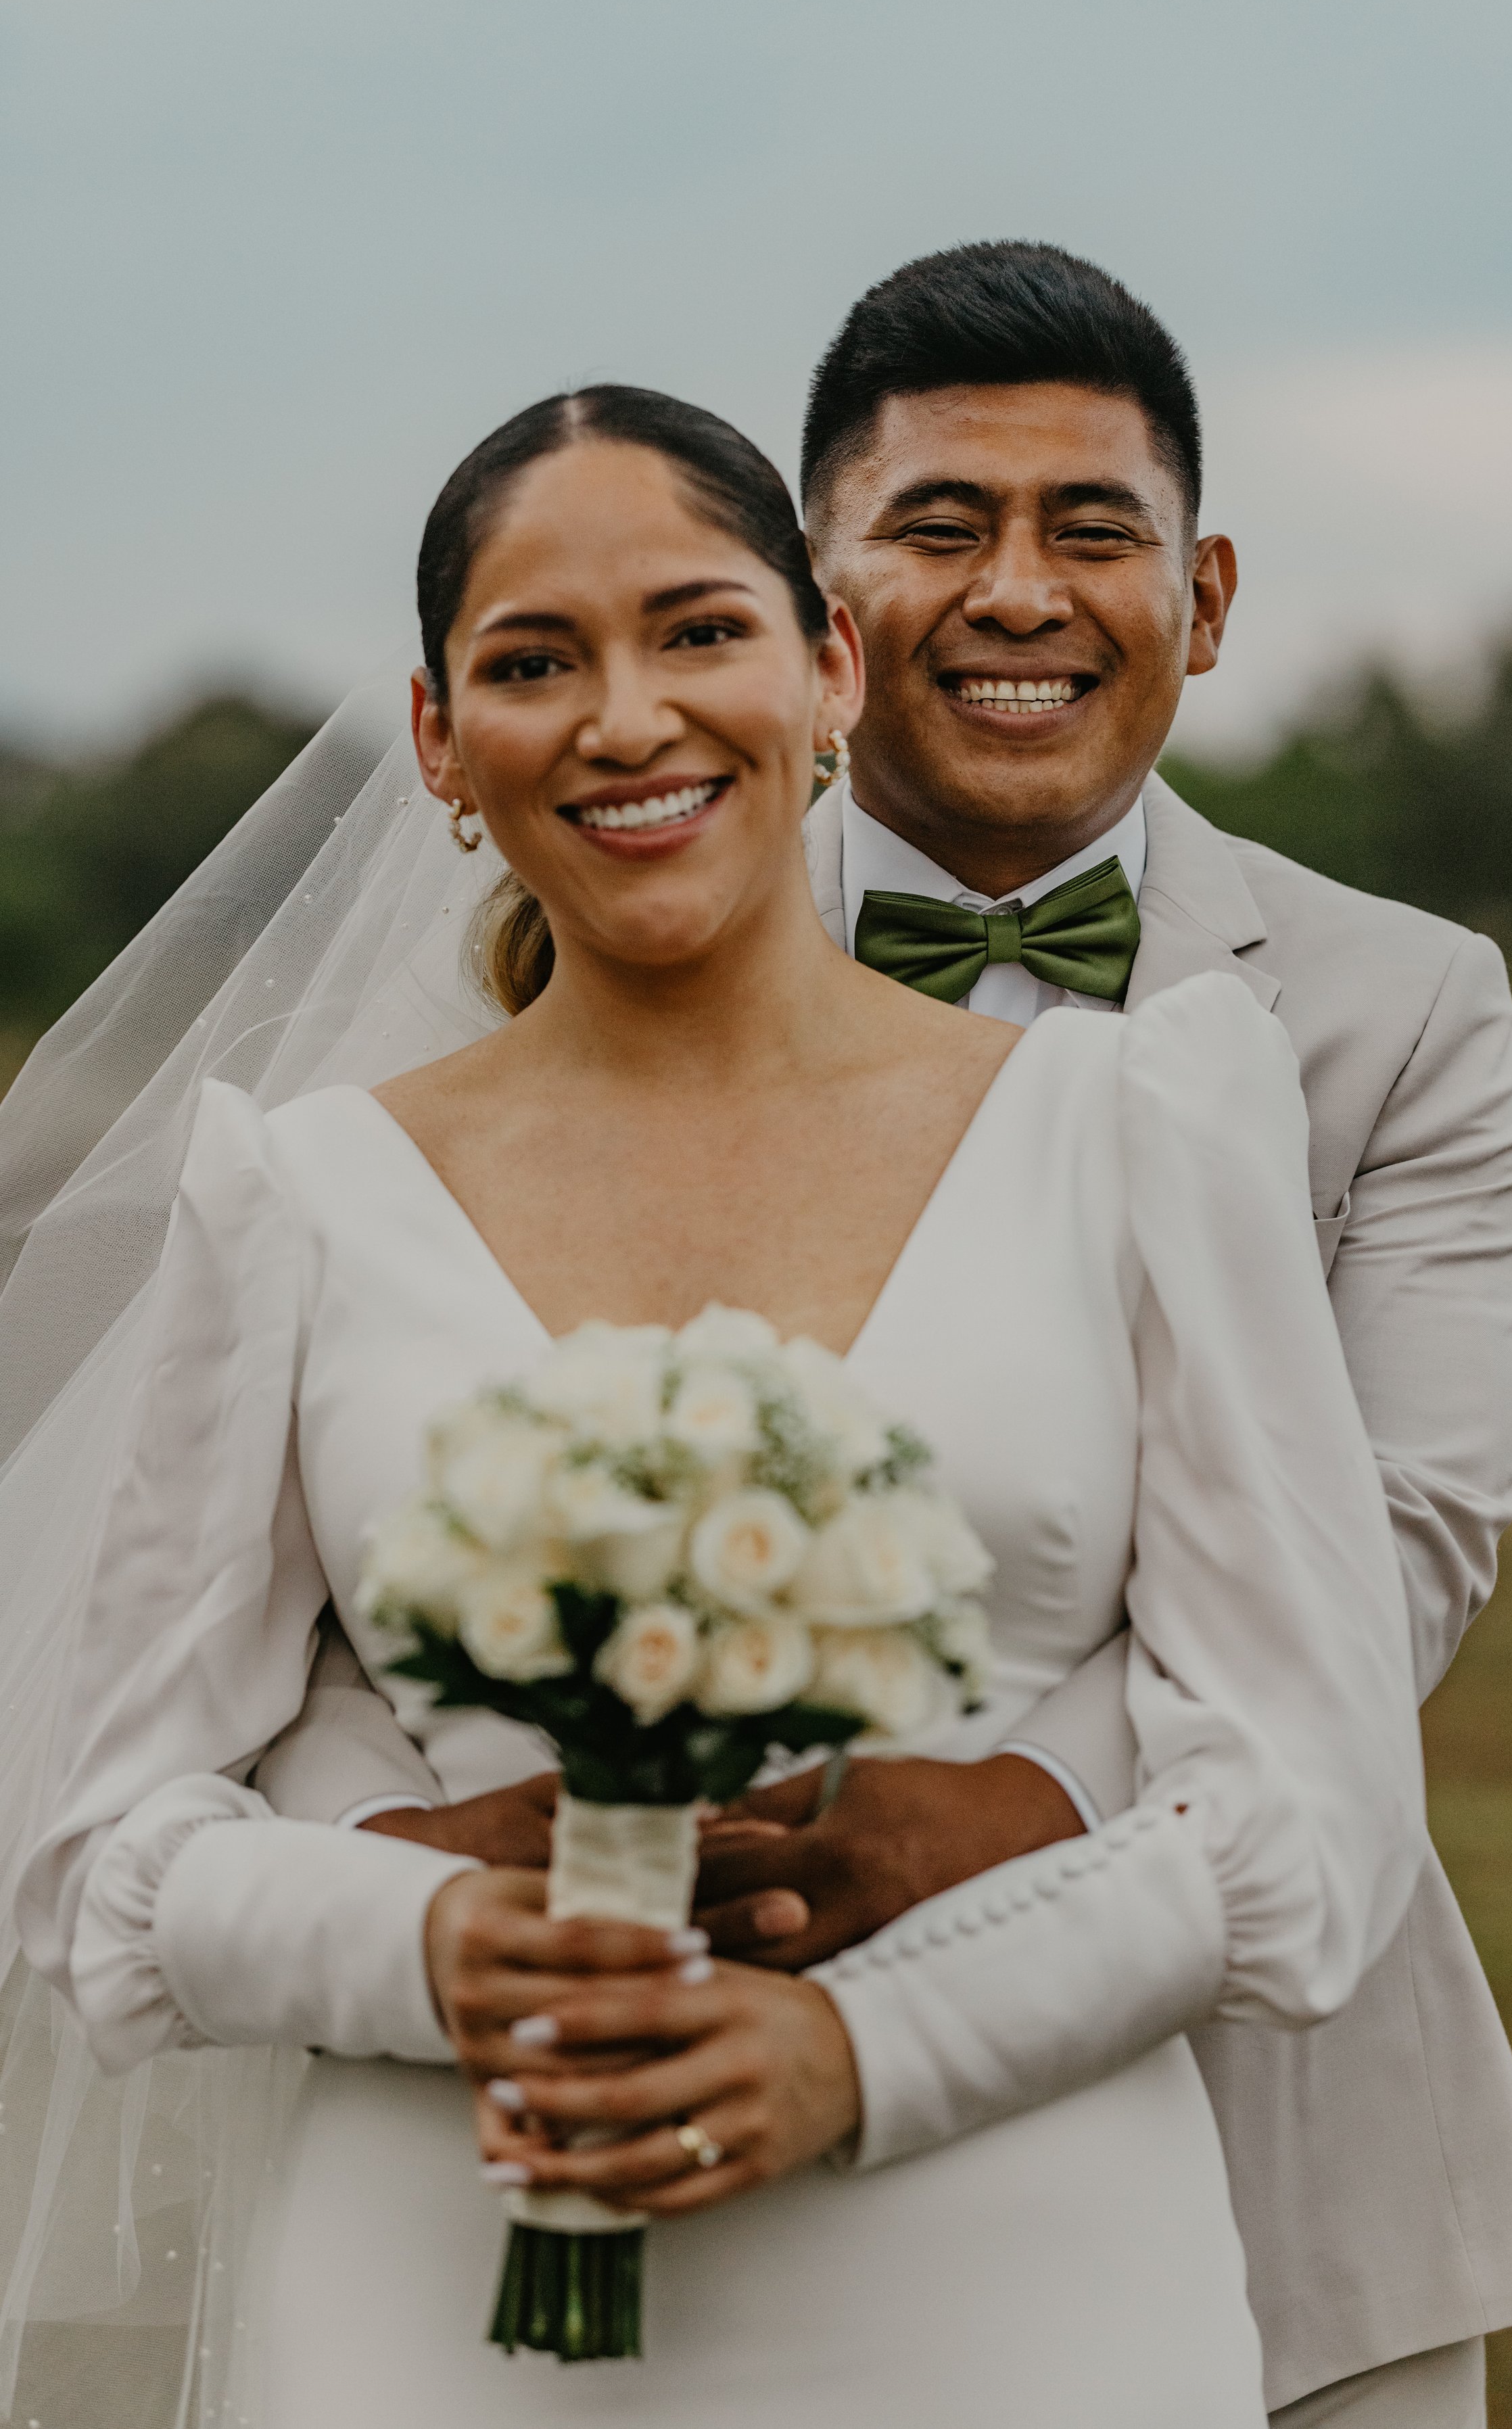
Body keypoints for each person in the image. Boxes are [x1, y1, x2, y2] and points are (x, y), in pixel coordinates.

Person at [11, 385, 1423, 2428]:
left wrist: (869, 2053)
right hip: (449, 2279)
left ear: (826, 665)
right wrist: (429, 1934)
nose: (624, 717)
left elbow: (1310, 1801)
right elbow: (101, 1855)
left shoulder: (1135, 1126)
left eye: (697, 629)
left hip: (1014, 2260)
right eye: (530, 660)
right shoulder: (296, 1192)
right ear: (438, 740)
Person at [263, 245, 1512, 2426]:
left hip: (1276, 2076)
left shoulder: (1395, 1005)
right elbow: (348, 1535)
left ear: (1208, 590)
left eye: (1093, 531)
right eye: (941, 526)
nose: (1021, 595)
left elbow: (1401, 1550)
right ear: (829, 611)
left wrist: (996, 1804)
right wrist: (474, 1862)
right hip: (607, 2059)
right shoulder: (557, 935)